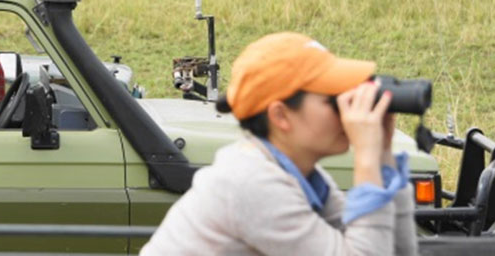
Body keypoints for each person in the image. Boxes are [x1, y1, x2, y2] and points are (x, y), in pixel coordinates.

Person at [141, 32, 417, 256]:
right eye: (333, 100)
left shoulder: (299, 176)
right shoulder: (252, 182)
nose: (346, 111)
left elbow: (391, 250)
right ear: (281, 116)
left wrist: (382, 156)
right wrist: (366, 160)